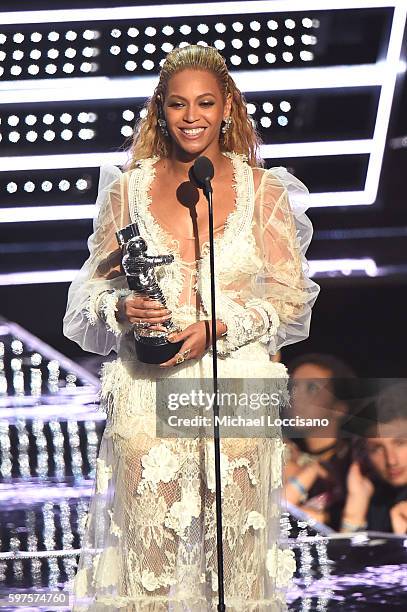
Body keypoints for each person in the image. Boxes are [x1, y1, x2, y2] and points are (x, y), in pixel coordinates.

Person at [63, 45, 319, 611]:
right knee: (147, 564)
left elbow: (290, 298)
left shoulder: (265, 192)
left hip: (239, 382)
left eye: (205, 102)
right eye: (178, 104)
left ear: (227, 106)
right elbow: (90, 290)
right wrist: (122, 310)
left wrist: (220, 326)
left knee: (239, 568)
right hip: (147, 386)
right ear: (162, 109)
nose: (192, 116)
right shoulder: (127, 189)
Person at [283, 354, 356, 530]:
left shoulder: (356, 464)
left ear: (339, 408)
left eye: (312, 388)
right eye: (292, 387)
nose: (295, 397)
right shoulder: (281, 455)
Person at [341, 381, 407, 534]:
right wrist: (355, 511)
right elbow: (349, 558)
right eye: (377, 448)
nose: (391, 460)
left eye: (401, 443)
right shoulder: (376, 499)